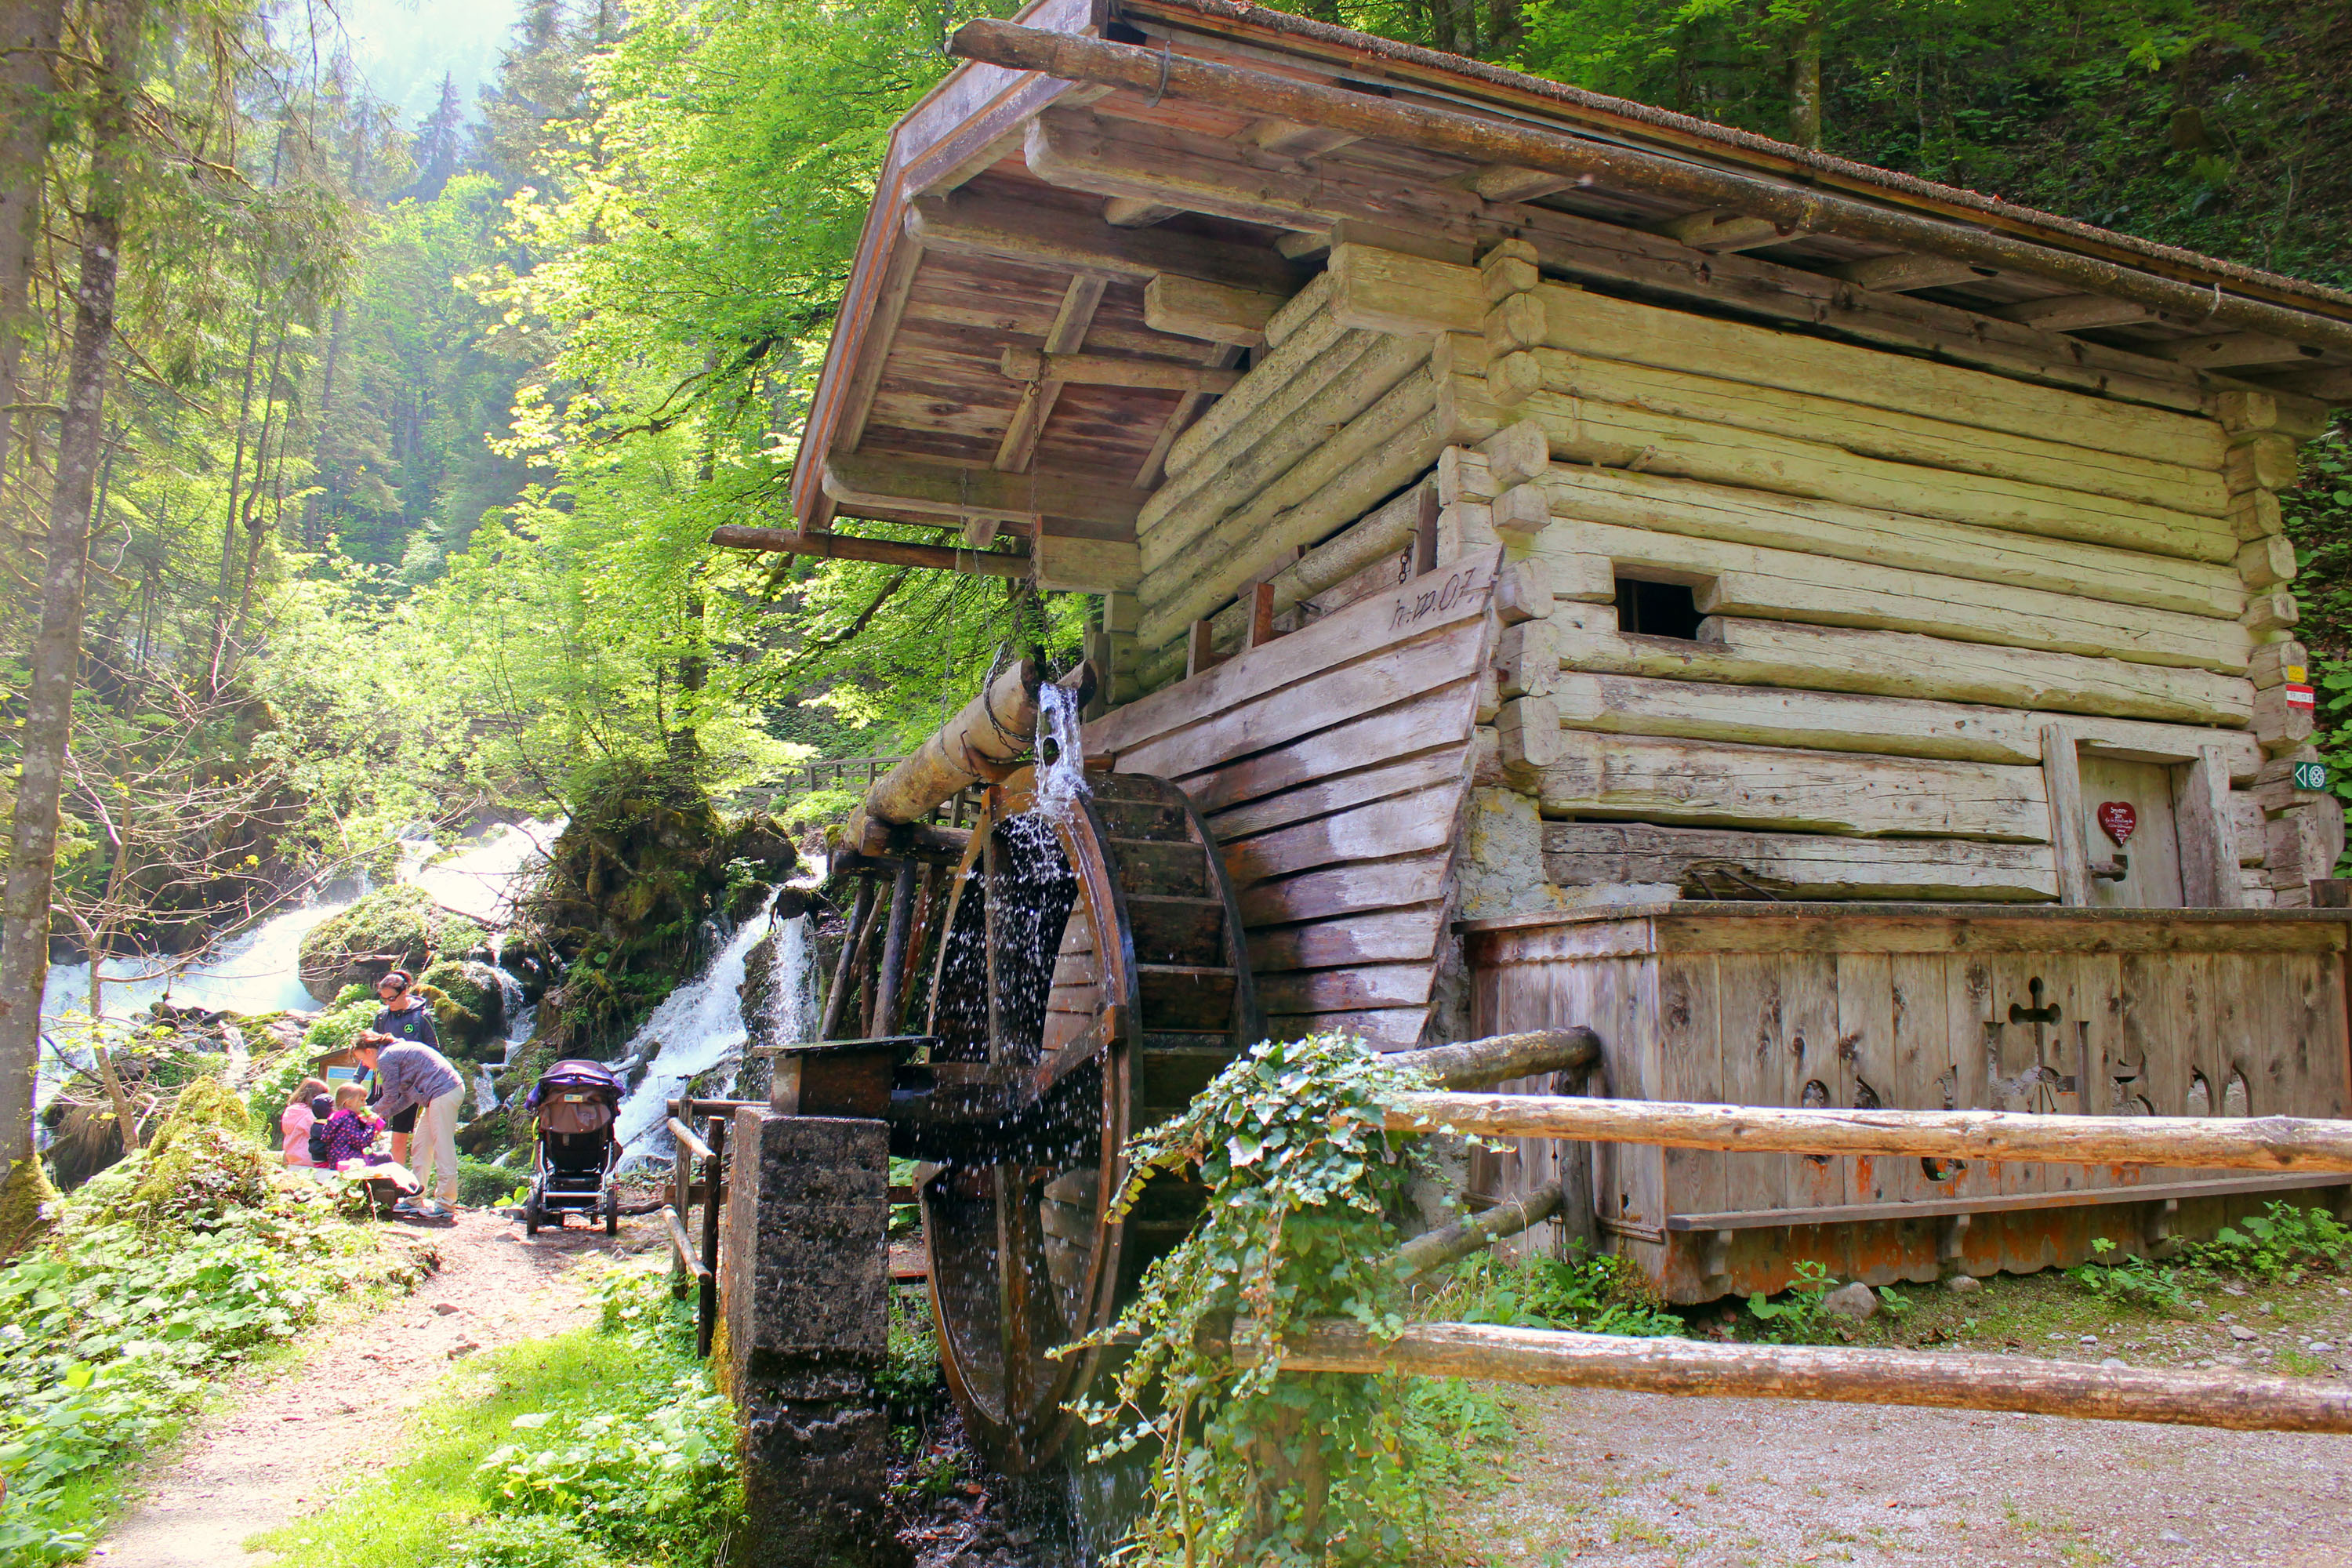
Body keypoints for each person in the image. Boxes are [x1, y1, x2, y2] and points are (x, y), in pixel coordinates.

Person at [352, 974, 463, 1214]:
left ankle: (446, 1203)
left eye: (363, 1060)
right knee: (421, 1147)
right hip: (432, 1095)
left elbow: (390, 1096)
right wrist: (378, 1116)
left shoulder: (387, 1057)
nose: (365, 1065)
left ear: (371, 1051)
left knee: (442, 1146)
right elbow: (403, 1099)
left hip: (445, 1090)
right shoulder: (389, 1049)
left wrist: (372, 1113)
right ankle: (414, 1197)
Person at [317, 1082, 387, 1169]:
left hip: (337, 1159)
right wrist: (371, 1124)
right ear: (349, 1103)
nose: (365, 1104)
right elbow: (363, 1142)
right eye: (362, 1100)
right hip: (350, 1160)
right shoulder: (349, 1120)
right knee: (386, 1157)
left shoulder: (338, 1117)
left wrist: (366, 1125)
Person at [279, 1077, 330, 1170]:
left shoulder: (290, 1110)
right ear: (316, 1096)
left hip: (292, 1159)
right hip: (308, 1161)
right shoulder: (309, 1115)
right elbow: (322, 1134)